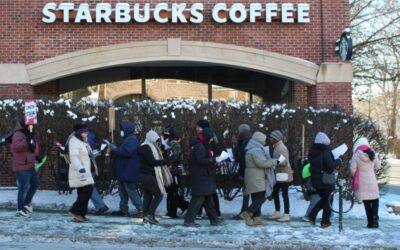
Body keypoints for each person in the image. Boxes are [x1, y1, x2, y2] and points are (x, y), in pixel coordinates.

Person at [184, 127, 222, 227]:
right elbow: (200, 160)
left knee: (208, 197)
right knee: (198, 198)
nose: (211, 140)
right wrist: (214, 159)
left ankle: (214, 219)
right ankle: (189, 220)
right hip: (200, 176)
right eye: (210, 138)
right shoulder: (199, 146)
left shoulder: (200, 145)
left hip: (203, 176)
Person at [240, 131, 279, 226]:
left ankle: (257, 218)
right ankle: (247, 213)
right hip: (256, 177)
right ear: (259, 140)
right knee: (261, 197)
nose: (264, 142)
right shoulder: (255, 150)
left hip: (253, 176)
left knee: (256, 197)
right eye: (263, 141)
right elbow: (262, 163)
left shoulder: (251, 149)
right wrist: (275, 161)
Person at [307, 132, 342, 228]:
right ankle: (325, 221)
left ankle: (311, 216)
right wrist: (339, 160)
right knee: (328, 201)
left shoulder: (312, 151)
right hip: (325, 181)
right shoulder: (325, 152)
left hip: (316, 180)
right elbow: (330, 166)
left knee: (324, 200)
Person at [110, 121, 143, 217]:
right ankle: (123, 209)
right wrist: (115, 147)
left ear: (127, 130)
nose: (121, 131)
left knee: (131, 190)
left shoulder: (131, 140)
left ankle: (141, 209)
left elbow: (127, 152)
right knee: (122, 191)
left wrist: (115, 149)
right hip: (124, 170)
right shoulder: (127, 139)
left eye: (122, 129)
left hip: (128, 170)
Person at [139, 130, 172, 224]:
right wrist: (166, 161)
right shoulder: (146, 147)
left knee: (148, 197)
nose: (156, 141)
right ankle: (149, 215)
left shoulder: (149, 146)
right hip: (147, 175)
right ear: (150, 138)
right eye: (155, 139)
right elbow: (152, 162)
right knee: (159, 194)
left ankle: (147, 217)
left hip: (145, 175)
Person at [10, 118, 40, 217]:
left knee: (35, 184)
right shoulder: (18, 134)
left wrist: (36, 157)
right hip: (21, 166)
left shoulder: (29, 133)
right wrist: (26, 140)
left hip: (31, 165)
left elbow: (31, 149)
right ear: (24, 124)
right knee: (23, 188)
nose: (31, 126)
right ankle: (20, 209)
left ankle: (26, 205)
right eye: (29, 124)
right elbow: (16, 148)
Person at [350, 137, 381, 228]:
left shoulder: (356, 155)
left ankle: (370, 222)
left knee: (366, 201)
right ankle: (375, 218)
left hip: (362, 182)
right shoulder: (372, 153)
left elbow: (352, 170)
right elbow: (378, 166)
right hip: (372, 181)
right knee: (375, 199)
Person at [67, 123, 95, 222]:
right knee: (87, 191)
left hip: (84, 170)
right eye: (84, 132)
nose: (86, 133)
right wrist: (80, 168)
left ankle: (81, 215)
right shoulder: (74, 141)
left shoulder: (82, 141)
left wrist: (94, 154)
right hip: (79, 171)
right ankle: (75, 210)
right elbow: (74, 156)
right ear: (79, 132)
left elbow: (86, 153)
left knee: (84, 192)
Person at [161, 125, 189, 218]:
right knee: (171, 191)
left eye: (167, 132)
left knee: (172, 191)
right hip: (169, 170)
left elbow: (177, 157)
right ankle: (184, 206)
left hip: (173, 171)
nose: (165, 134)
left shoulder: (174, 142)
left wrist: (169, 162)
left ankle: (172, 211)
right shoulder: (167, 142)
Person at [195, 119, 221, 218]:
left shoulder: (208, 137)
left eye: (199, 126)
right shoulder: (209, 136)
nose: (197, 128)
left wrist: (212, 159)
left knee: (208, 190)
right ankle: (213, 213)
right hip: (209, 165)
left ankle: (204, 212)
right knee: (208, 190)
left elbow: (213, 150)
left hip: (208, 166)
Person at [268, 130, 293, 222]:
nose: (270, 139)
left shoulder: (281, 148)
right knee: (275, 192)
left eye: (271, 137)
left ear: (276, 138)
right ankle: (278, 212)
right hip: (280, 174)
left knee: (284, 194)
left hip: (284, 175)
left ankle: (286, 214)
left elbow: (285, 161)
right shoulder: (277, 147)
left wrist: (274, 162)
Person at [232, 124, 251, 220]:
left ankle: (245, 212)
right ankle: (245, 211)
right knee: (248, 192)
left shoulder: (244, 142)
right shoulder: (247, 140)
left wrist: (241, 171)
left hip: (247, 171)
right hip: (248, 170)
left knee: (247, 192)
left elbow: (243, 159)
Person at [87, 131, 109, 215]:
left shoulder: (87, 145)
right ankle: (100, 206)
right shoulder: (93, 145)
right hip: (92, 169)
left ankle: (101, 206)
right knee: (89, 188)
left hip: (88, 169)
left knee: (89, 188)